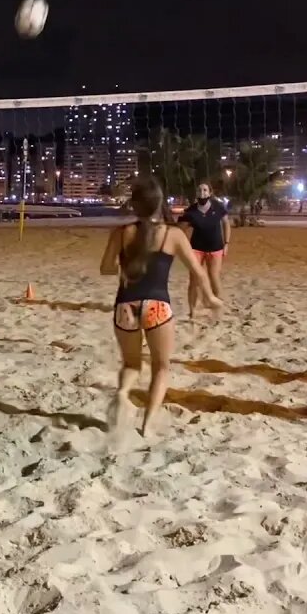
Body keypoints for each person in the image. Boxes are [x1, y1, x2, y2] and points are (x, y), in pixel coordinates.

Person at [101, 176, 222, 442]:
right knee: (161, 368)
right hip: (157, 307)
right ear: (159, 204)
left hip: (125, 306)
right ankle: (147, 424)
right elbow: (197, 272)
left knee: (131, 364)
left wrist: (125, 266)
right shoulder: (173, 234)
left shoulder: (121, 233)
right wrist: (211, 298)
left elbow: (105, 269)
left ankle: (122, 393)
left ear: (135, 205)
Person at [177, 182, 231, 318]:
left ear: (210, 193)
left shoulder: (218, 207)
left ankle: (217, 310)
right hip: (196, 249)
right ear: (196, 193)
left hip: (215, 248)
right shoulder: (191, 211)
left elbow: (226, 223)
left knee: (214, 278)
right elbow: (179, 230)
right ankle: (193, 311)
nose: (202, 192)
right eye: (199, 190)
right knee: (194, 280)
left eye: (205, 190)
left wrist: (226, 243)